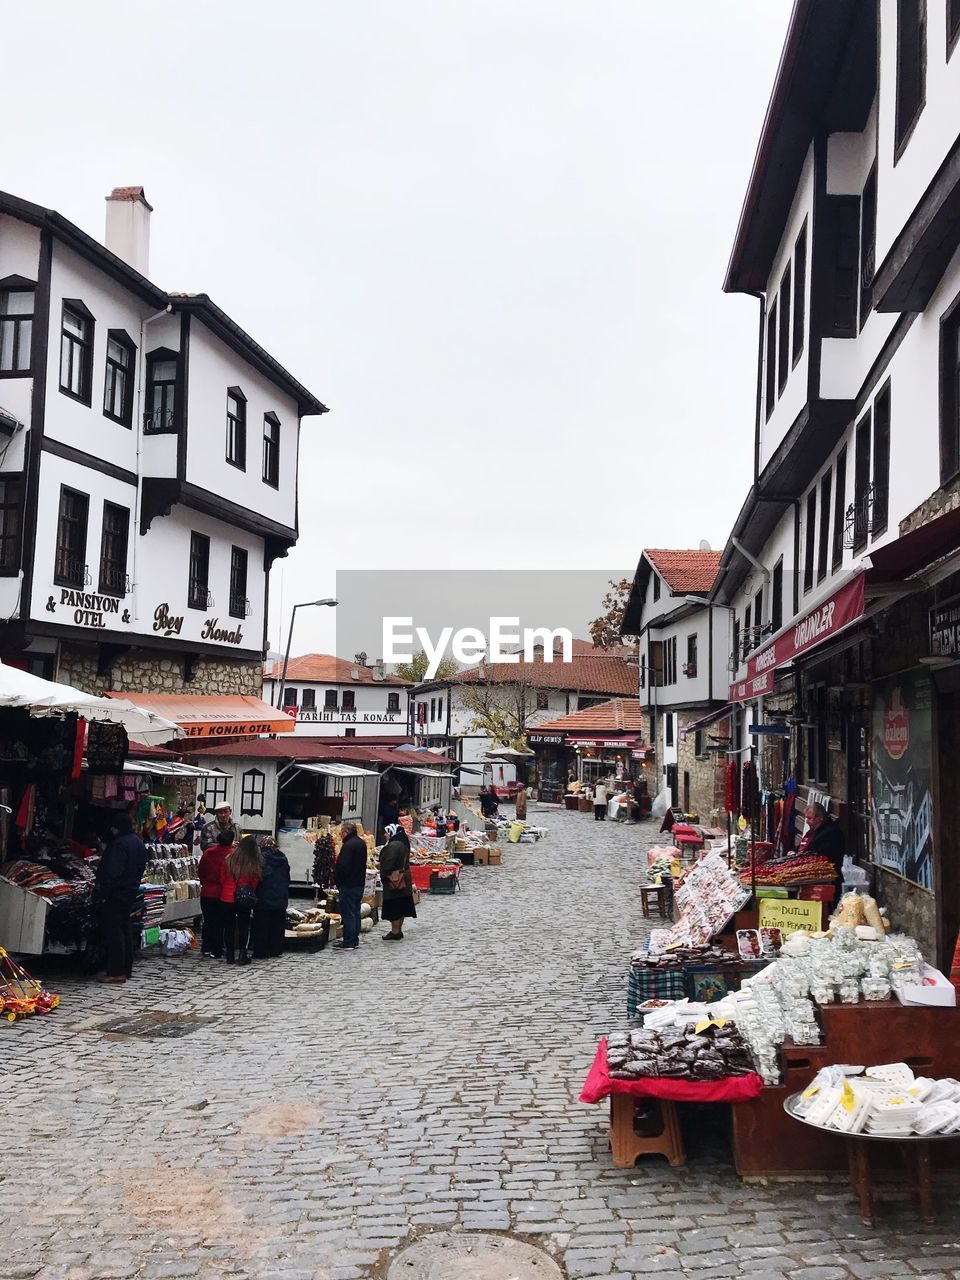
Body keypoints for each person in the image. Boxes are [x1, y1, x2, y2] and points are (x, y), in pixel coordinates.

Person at [95, 813, 148, 984]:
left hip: (117, 893)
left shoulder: (119, 844)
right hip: (130, 891)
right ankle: (126, 968)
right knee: (124, 929)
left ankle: (116, 971)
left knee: (114, 931)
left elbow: (113, 871)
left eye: (114, 826)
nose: (112, 829)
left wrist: (103, 891)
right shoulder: (137, 842)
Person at [221, 835, 262, 965]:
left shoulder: (229, 859)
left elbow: (222, 878)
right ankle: (243, 953)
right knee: (244, 926)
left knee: (229, 927)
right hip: (244, 897)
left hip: (227, 897)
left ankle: (230, 955)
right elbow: (255, 881)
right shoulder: (253, 862)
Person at [198, 829, 233, 958]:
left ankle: (206, 947)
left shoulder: (208, 853)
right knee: (219, 922)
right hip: (221, 893)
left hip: (207, 891)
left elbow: (201, 871)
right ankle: (216, 949)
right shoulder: (231, 854)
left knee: (208, 921)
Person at [798, 801, 846, 892]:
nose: (807, 821)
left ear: (819, 818)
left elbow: (820, 856)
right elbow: (803, 846)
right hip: (815, 878)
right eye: (806, 818)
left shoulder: (831, 833)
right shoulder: (813, 831)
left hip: (827, 881)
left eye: (809, 818)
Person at [335, 822, 368, 950]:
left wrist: (338, 880)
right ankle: (354, 939)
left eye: (341, 832)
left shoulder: (348, 845)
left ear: (346, 831)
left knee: (348, 914)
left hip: (348, 884)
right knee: (355, 912)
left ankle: (348, 941)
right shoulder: (361, 843)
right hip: (359, 883)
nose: (340, 834)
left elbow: (344, 866)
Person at [379, 823, 416, 941]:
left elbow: (388, 863)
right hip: (403, 877)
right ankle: (398, 929)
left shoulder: (393, 846)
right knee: (401, 905)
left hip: (395, 879)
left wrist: (384, 872)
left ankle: (395, 931)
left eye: (386, 832)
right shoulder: (402, 842)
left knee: (394, 906)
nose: (385, 835)